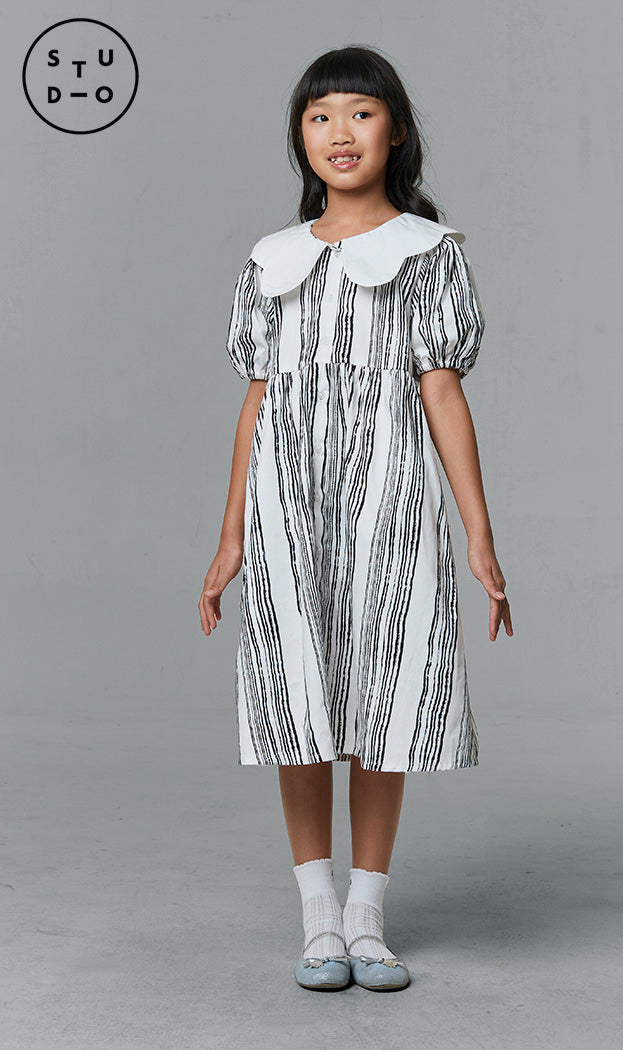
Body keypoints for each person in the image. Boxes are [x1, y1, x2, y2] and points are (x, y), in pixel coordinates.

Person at [198, 44, 513, 993]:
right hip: (286, 508)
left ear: (397, 131)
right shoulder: (272, 260)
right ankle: (319, 918)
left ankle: (368, 916)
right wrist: (230, 536)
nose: (341, 131)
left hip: (388, 505)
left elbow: (443, 394)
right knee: (298, 700)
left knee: (384, 697)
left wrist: (480, 535)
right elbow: (257, 399)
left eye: (361, 113)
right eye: (320, 115)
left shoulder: (429, 254)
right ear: (301, 137)